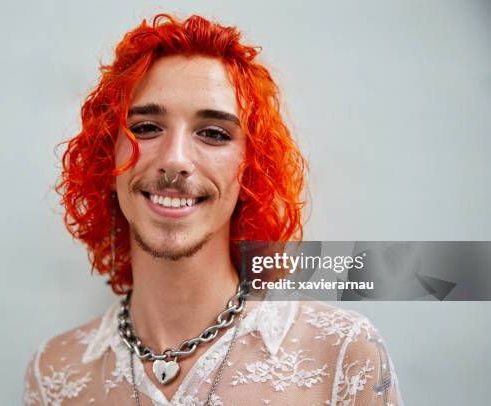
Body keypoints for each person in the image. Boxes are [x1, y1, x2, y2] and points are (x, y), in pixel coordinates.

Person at [23, 14, 403, 406]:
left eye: (214, 134)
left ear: (250, 167)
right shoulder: (53, 372)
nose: (175, 159)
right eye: (147, 127)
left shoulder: (344, 353)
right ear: (107, 154)